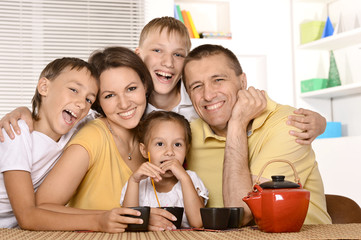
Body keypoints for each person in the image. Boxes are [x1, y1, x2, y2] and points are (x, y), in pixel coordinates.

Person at [0, 17, 326, 145]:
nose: (167, 62)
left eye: (179, 55)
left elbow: (261, 112)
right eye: (157, 51)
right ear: (139, 54)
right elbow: (70, 110)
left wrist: (320, 120)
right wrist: (26, 112)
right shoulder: (122, 102)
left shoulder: (203, 102)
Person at [181, 44, 332, 226]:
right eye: (197, 86)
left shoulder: (290, 124)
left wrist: (237, 123)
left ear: (242, 82)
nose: (208, 94)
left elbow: (242, 211)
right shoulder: (185, 135)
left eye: (218, 80)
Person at [34, 47, 177, 232]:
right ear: (97, 102)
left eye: (131, 89)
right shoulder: (93, 137)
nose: (124, 104)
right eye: (109, 95)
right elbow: (41, 209)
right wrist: (130, 218)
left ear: (145, 86)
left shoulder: (154, 137)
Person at [0, 57, 143, 231]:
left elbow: (113, 115)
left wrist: (111, 216)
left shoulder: (76, 127)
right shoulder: (17, 133)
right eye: (74, 90)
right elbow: (28, 217)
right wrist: (98, 221)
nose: (81, 103)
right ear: (44, 87)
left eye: (89, 99)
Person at [121, 111, 208, 228]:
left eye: (177, 145)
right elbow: (129, 222)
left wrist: (184, 178)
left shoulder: (190, 179)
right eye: (160, 144)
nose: (169, 152)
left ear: (186, 150)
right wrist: (133, 181)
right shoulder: (138, 184)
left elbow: (198, 223)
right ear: (144, 150)